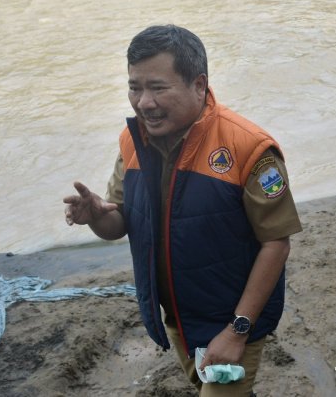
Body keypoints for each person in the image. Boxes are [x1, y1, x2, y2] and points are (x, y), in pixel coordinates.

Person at [63, 25, 302, 396]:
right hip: (177, 317)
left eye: (158, 87)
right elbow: (120, 222)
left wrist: (237, 330)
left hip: (233, 319)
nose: (144, 103)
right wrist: (95, 215)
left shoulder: (249, 149)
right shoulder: (133, 139)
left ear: (198, 84)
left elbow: (277, 243)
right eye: (134, 87)